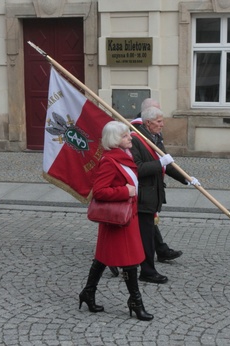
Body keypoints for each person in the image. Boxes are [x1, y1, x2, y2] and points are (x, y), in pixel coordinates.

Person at [79, 121, 153, 321]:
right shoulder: (110, 161)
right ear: (115, 140)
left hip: (127, 218)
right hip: (117, 220)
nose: (130, 137)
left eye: (128, 134)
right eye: (125, 136)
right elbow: (100, 191)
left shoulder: (124, 157)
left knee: (104, 258)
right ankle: (136, 302)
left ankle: (88, 292)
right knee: (128, 262)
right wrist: (124, 191)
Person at [130, 106, 200, 284]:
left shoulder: (155, 137)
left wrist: (186, 178)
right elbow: (137, 168)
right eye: (159, 121)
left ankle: (127, 263)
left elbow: (167, 165)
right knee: (146, 237)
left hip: (154, 194)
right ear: (148, 122)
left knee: (148, 233)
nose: (163, 124)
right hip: (143, 196)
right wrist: (159, 162)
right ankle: (147, 271)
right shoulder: (136, 139)